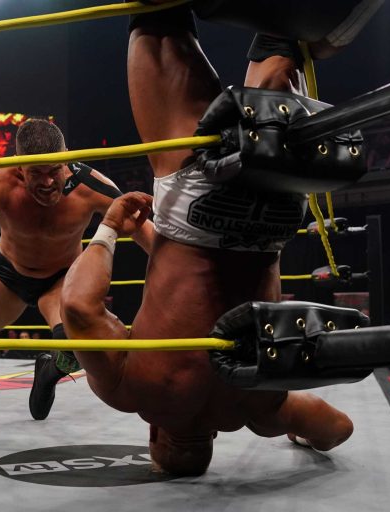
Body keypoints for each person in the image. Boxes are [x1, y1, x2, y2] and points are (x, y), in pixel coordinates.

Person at [55, 5, 369, 475]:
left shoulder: (256, 407)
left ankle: (303, 37)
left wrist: (295, 429)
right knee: (159, 24)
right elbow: (79, 307)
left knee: (282, 49)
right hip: (198, 214)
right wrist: (108, 229)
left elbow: (338, 428)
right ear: (154, 434)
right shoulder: (135, 392)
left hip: (275, 215)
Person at [0, 118, 154, 419]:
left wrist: (182, 271)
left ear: (66, 158)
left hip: (62, 279)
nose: (47, 183)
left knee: (77, 348)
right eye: (36, 172)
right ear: (19, 165)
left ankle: (49, 370)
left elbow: (146, 232)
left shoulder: (90, 186)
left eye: (54, 170)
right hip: (9, 276)